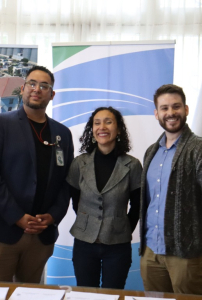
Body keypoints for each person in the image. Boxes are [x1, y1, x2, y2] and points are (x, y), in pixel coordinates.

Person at [0, 65, 74, 283]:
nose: (37, 89)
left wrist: (54, 216)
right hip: (3, 230)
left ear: (52, 94)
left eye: (44, 86)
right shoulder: (1, 123)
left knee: (31, 294)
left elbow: (67, 180)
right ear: (23, 89)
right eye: (32, 83)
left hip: (41, 234)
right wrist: (16, 217)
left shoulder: (62, 134)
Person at [139, 84, 202, 295]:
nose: (171, 113)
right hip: (151, 252)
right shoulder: (151, 151)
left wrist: (196, 235)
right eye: (164, 108)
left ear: (186, 109)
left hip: (187, 255)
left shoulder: (200, 149)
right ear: (156, 113)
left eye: (176, 107)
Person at [66, 107, 141, 289]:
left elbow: (138, 205)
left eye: (108, 122)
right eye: (97, 123)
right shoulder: (79, 163)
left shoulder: (132, 165)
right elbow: (75, 200)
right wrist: (88, 221)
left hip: (117, 244)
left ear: (119, 129)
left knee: (113, 294)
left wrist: (120, 226)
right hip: (84, 242)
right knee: (85, 293)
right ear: (92, 129)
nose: (102, 127)